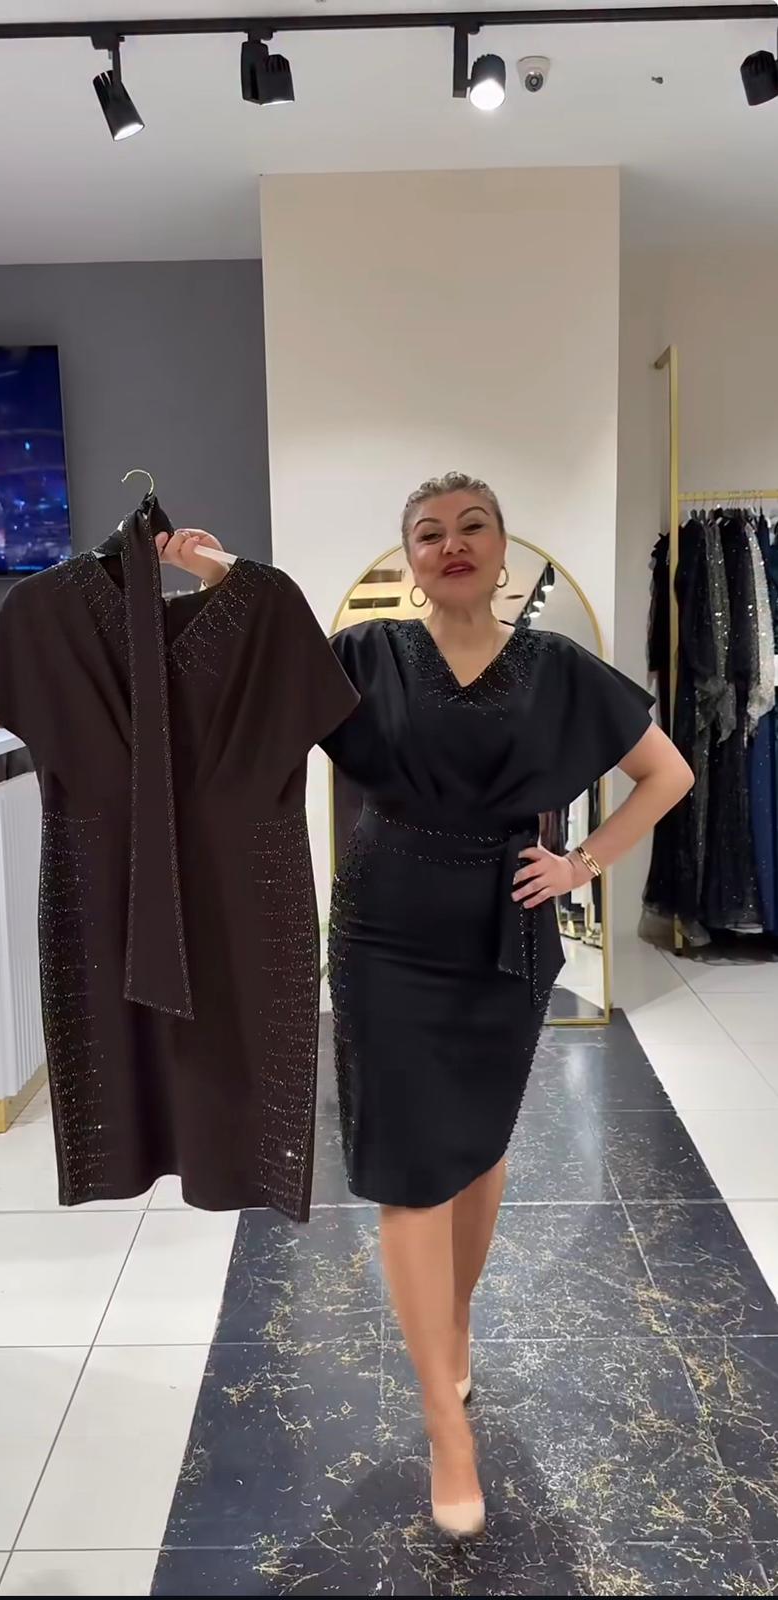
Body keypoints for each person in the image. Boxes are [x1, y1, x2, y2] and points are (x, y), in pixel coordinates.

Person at [161, 474, 693, 1541]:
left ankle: (451, 1324)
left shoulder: (557, 667)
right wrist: (223, 580)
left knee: (480, 1150)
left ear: (502, 548)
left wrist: (583, 863)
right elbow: (268, 663)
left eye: (472, 527)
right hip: (386, 933)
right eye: (429, 533)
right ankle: (447, 1426)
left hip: (507, 937)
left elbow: (667, 773)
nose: (452, 544)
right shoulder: (367, 656)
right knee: (409, 1168)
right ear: (409, 558)